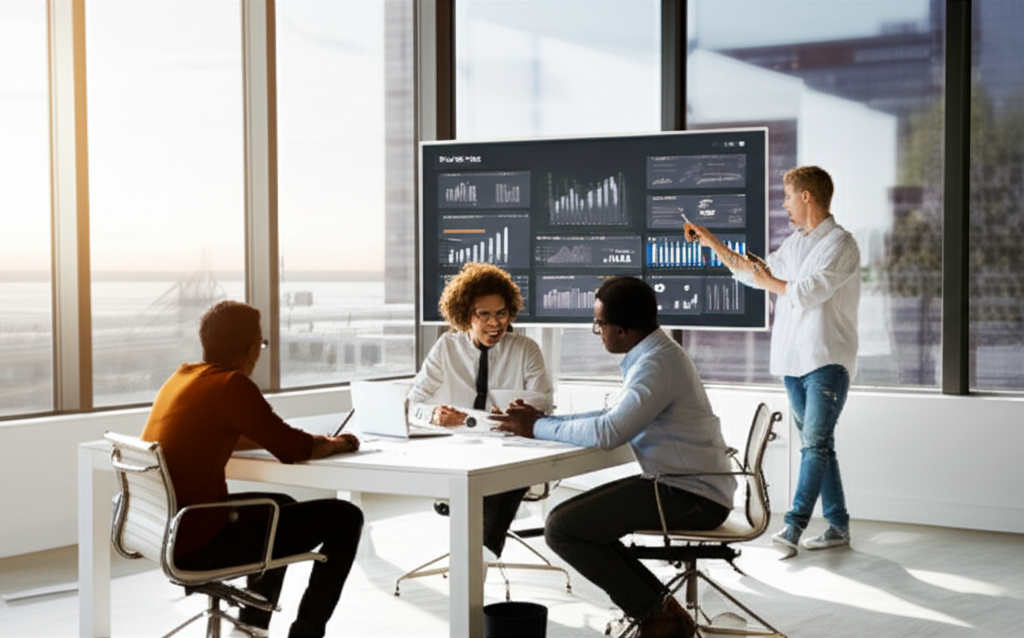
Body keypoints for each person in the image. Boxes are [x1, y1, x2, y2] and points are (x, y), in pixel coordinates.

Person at [494, 276, 736, 638]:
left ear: (621, 330)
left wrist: (534, 427)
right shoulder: (657, 354)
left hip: (692, 495)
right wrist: (543, 421)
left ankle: (658, 619)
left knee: (562, 528)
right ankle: (663, 615)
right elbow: (609, 419)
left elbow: (608, 432)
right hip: (681, 483)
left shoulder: (655, 366)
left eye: (599, 324)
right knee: (579, 524)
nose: (598, 331)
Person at [141, 300, 364, 638]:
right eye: (260, 344)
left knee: (281, 505)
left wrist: (274, 436)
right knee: (346, 517)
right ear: (250, 349)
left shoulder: (183, 376)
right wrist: (338, 443)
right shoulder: (233, 385)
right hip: (200, 538)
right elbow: (293, 449)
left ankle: (251, 628)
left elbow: (227, 430)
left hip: (163, 529)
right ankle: (306, 633)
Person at [684, 165, 860, 553]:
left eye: (787, 197)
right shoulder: (796, 243)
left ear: (807, 197)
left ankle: (793, 527)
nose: (784, 206)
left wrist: (767, 280)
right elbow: (756, 274)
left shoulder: (842, 244)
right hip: (794, 362)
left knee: (814, 445)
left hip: (827, 359)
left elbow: (808, 292)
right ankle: (839, 526)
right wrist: (713, 243)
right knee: (821, 445)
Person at [408, 262, 553, 558]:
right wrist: (434, 415)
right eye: (483, 314)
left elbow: (544, 406)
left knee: (503, 478)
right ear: (465, 314)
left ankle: (473, 569)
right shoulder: (446, 348)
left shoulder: (526, 349)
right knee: (494, 487)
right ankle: (478, 566)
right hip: (458, 453)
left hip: (509, 454)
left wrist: (516, 414)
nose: (494, 323)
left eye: (501, 314)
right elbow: (412, 404)